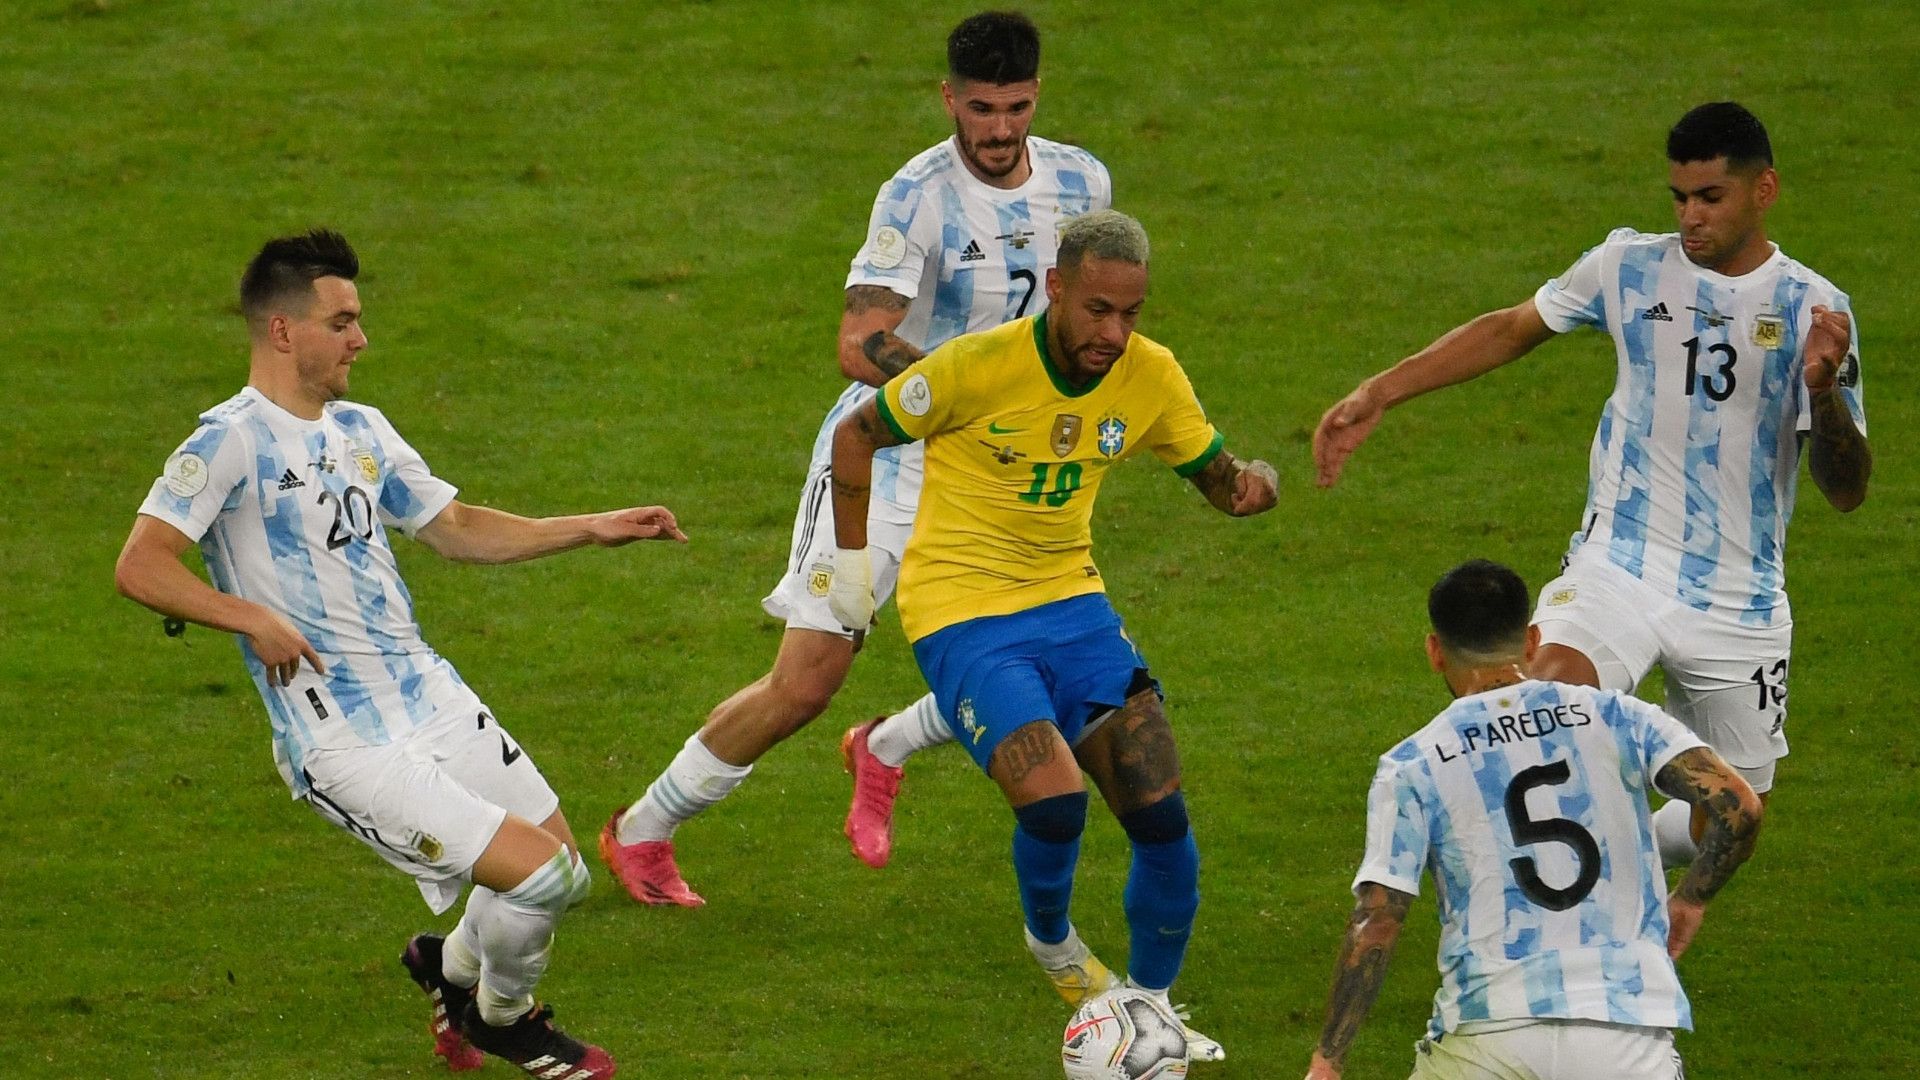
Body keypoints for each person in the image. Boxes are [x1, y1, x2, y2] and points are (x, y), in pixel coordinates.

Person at [114, 230, 686, 1079]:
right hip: (344, 738)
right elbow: (141, 563)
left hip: (427, 691)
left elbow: (453, 529)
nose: (360, 340)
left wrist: (592, 527)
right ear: (282, 331)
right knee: (539, 881)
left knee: (558, 865)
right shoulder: (229, 442)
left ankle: (447, 968)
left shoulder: (360, 428)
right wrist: (248, 617)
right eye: (341, 322)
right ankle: (504, 1018)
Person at [601, 9, 1114, 904]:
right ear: (948, 98)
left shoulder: (1080, 182)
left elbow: (1088, 309)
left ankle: (885, 745)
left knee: (1040, 659)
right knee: (806, 682)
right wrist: (961, 395)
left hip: (1000, 471)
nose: (999, 130)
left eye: (1018, 107)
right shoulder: (915, 196)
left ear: (1040, 95)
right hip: (891, 457)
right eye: (983, 108)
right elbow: (859, 339)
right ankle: (640, 831)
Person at [1312, 102, 1869, 870]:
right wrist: (1379, 392)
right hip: (1620, 564)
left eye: (1710, 198)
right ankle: (1503, 877)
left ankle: (1607, 858)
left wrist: (1825, 389)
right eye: (1679, 197)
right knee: (1537, 703)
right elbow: (1511, 327)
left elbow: (1846, 490)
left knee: (1733, 815)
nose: (1689, 217)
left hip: (1739, 597)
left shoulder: (1815, 310)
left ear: (1763, 190)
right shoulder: (1628, 268)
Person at [830, 209, 1277, 1061]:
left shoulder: (1151, 376)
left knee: (1163, 819)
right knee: (1057, 797)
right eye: (1098, 310)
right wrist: (852, 574)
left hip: (1072, 605)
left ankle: (1148, 1009)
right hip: (961, 608)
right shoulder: (976, 366)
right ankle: (1054, 946)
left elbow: (1223, 484)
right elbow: (857, 438)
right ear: (1059, 289)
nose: (1115, 332)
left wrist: (1259, 485)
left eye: (1132, 314)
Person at [1302, 560, 1762, 1080]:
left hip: (1488, 1036)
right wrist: (1692, 898)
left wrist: (1327, 1061)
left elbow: (1378, 920)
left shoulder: (1414, 763)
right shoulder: (1619, 716)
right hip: (1625, 1033)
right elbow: (1738, 806)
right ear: (1532, 640)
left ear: (1434, 652)